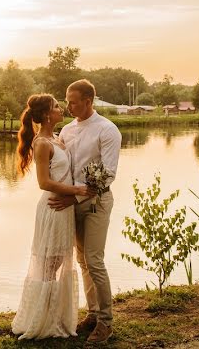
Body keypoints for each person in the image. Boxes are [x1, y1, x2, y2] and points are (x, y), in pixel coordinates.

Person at [12, 93, 95, 340]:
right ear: (48, 114)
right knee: (49, 265)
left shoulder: (57, 139)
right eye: (57, 106)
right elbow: (44, 182)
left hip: (64, 209)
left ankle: (55, 317)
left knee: (58, 261)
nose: (62, 109)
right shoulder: (42, 144)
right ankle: (40, 321)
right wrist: (78, 190)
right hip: (52, 207)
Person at [49, 79, 121, 344]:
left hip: (97, 203)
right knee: (82, 261)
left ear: (89, 101)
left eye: (73, 102)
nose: (68, 106)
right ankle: (92, 314)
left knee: (94, 260)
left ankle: (106, 323)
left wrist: (74, 199)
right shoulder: (67, 131)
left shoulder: (107, 130)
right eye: (67, 101)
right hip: (73, 202)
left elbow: (108, 174)